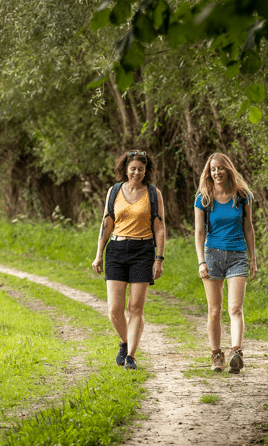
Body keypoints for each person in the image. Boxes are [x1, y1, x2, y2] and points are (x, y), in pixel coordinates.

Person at [92, 150, 165, 370]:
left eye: (140, 169)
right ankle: (125, 342)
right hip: (115, 249)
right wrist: (98, 254)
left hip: (143, 250)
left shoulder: (153, 193)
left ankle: (131, 355)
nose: (136, 172)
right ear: (125, 169)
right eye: (132, 168)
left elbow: (160, 228)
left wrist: (159, 258)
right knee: (114, 309)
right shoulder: (114, 191)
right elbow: (106, 224)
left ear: (146, 171)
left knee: (135, 308)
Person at [194, 152, 257, 374]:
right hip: (212, 256)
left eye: (220, 168)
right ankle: (216, 354)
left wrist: (253, 259)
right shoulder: (204, 197)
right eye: (213, 169)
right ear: (208, 173)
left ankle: (237, 352)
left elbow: (248, 228)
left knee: (235, 308)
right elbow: (199, 232)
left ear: (228, 169)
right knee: (214, 310)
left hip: (238, 256)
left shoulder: (242, 196)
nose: (217, 172)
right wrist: (202, 262)